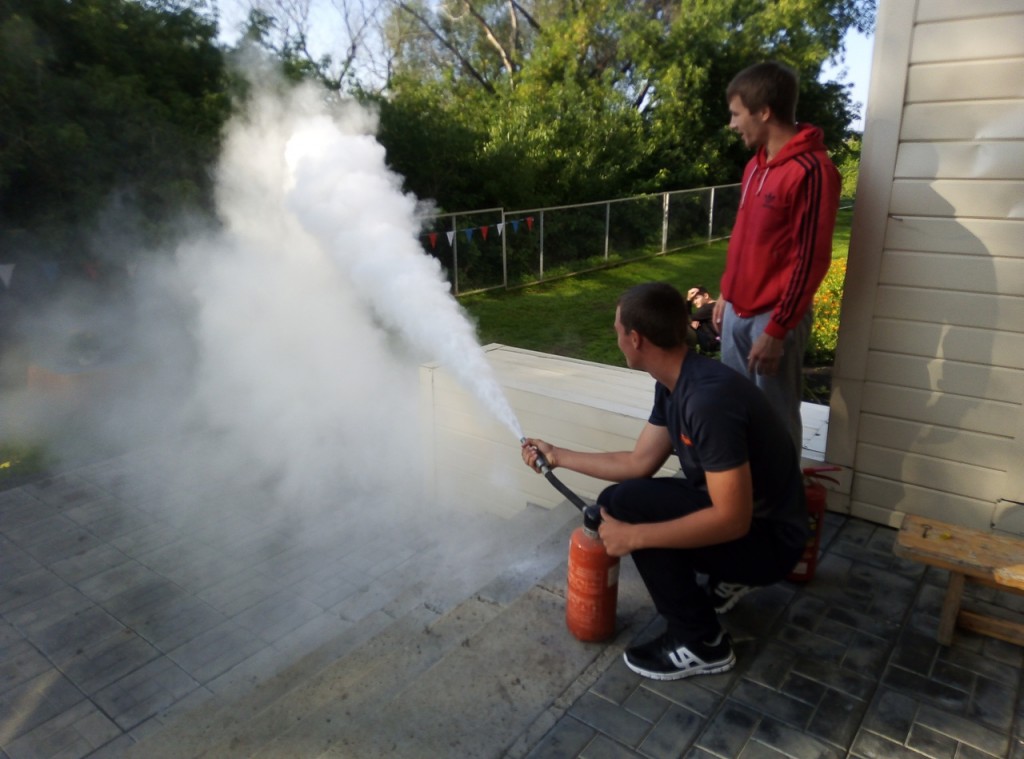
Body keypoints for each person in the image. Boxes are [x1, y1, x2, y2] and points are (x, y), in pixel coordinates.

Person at [521, 282, 808, 681]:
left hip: (771, 543)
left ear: (635, 338)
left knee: (627, 510)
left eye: (617, 330)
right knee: (625, 498)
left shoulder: (706, 401)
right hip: (753, 522)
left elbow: (732, 520)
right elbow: (639, 462)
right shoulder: (676, 382)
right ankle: (725, 578)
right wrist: (557, 456)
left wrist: (635, 537)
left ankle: (701, 642)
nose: (617, 339)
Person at [712, 61, 840, 450]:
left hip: (773, 317)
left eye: (737, 114)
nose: (732, 124)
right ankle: (741, 486)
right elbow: (746, 236)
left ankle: (780, 489)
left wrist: (777, 330)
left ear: (764, 112)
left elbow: (811, 259)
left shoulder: (812, 170)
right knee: (735, 409)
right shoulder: (755, 166)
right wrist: (726, 290)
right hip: (737, 310)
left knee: (774, 419)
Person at [686, 286, 720, 354]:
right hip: (719, 340)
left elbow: (686, 318)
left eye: (696, 298)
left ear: (706, 296)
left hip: (712, 344)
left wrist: (688, 300)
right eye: (693, 300)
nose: (694, 302)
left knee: (686, 327)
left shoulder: (707, 308)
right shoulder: (716, 305)